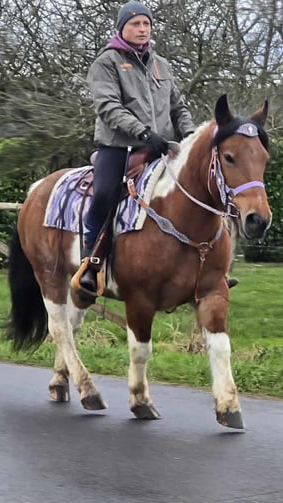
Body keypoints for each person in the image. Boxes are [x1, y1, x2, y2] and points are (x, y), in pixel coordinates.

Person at [79, 0, 196, 293]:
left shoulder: (162, 64)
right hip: (119, 146)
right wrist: (142, 133)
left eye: (146, 24)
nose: (142, 29)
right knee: (104, 193)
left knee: (197, 191)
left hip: (161, 147)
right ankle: (91, 260)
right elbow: (108, 107)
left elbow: (178, 107)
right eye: (135, 24)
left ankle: (204, 267)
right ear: (122, 28)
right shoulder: (106, 63)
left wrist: (190, 134)